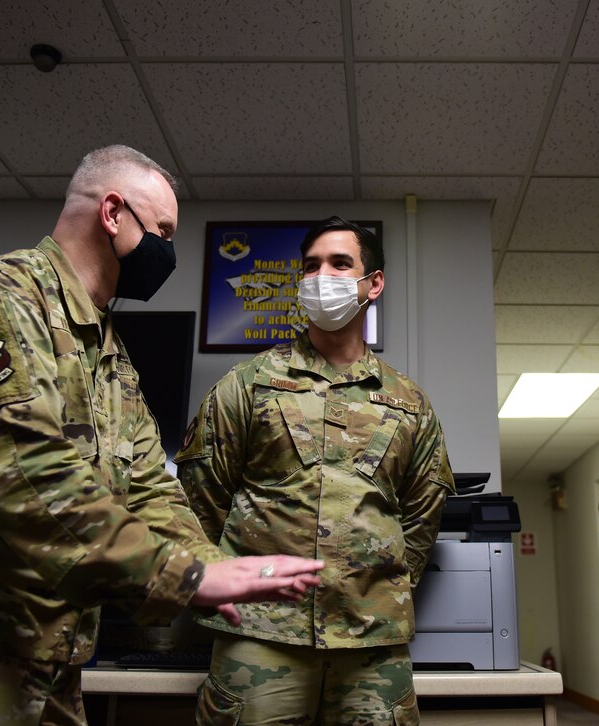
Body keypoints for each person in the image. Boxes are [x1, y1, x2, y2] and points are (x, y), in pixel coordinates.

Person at [0, 145, 324, 725]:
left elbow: (150, 486)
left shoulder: (110, 357)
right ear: (113, 213)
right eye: (164, 230)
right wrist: (185, 575)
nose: (167, 251)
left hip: (51, 650)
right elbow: (20, 467)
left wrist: (211, 571)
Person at [176, 216, 455, 724]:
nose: (321, 276)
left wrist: (369, 591)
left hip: (372, 641)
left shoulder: (410, 403)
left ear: (374, 284)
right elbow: (201, 498)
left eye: (340, 263)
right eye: (311, 266)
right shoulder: (248, 384)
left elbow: (420, 518)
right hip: (261, 636)